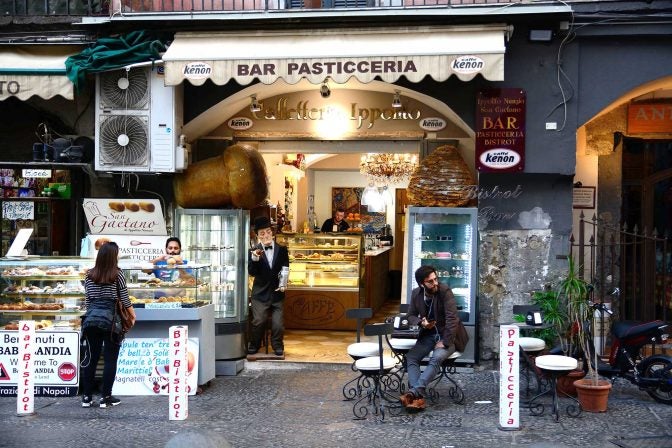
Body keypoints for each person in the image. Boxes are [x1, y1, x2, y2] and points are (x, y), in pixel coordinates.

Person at [80, 241, 136, 408]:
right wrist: (132, 316)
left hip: (90, 320)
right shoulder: (117, 274)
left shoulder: (89, 275)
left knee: (92, 358)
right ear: (113, 256)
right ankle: (106, 397)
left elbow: (88, 301)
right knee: (110, 359)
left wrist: (93, 315)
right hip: (111, 321)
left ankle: (87, 397)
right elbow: (125, 299)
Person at [400, 265, 460, 411]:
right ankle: (418, 397)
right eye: (430, 282)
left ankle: (413, 393)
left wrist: (445, 342)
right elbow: (410, 316)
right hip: (428, 335)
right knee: (411, 358)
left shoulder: (445, 291)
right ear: (422, 284)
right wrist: (421, 322)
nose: (435, 284)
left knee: (436, 357)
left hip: (449, 336)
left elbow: (453, 319)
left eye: (436, 279)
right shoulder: (416, 294)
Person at [248, 216, 290, 356]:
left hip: (277, 293)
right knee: (258, 321)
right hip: (260, 294)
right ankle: (254, 344)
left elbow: (285, 268)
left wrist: (283, 284)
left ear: (272, 232)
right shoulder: (254, 251)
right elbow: (252, 272)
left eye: (267, 232)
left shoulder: (282, 250)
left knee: (278, 324)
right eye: (262, 233)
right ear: (258, 236)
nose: (265, 235)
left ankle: (277, 345)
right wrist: (254, 258)